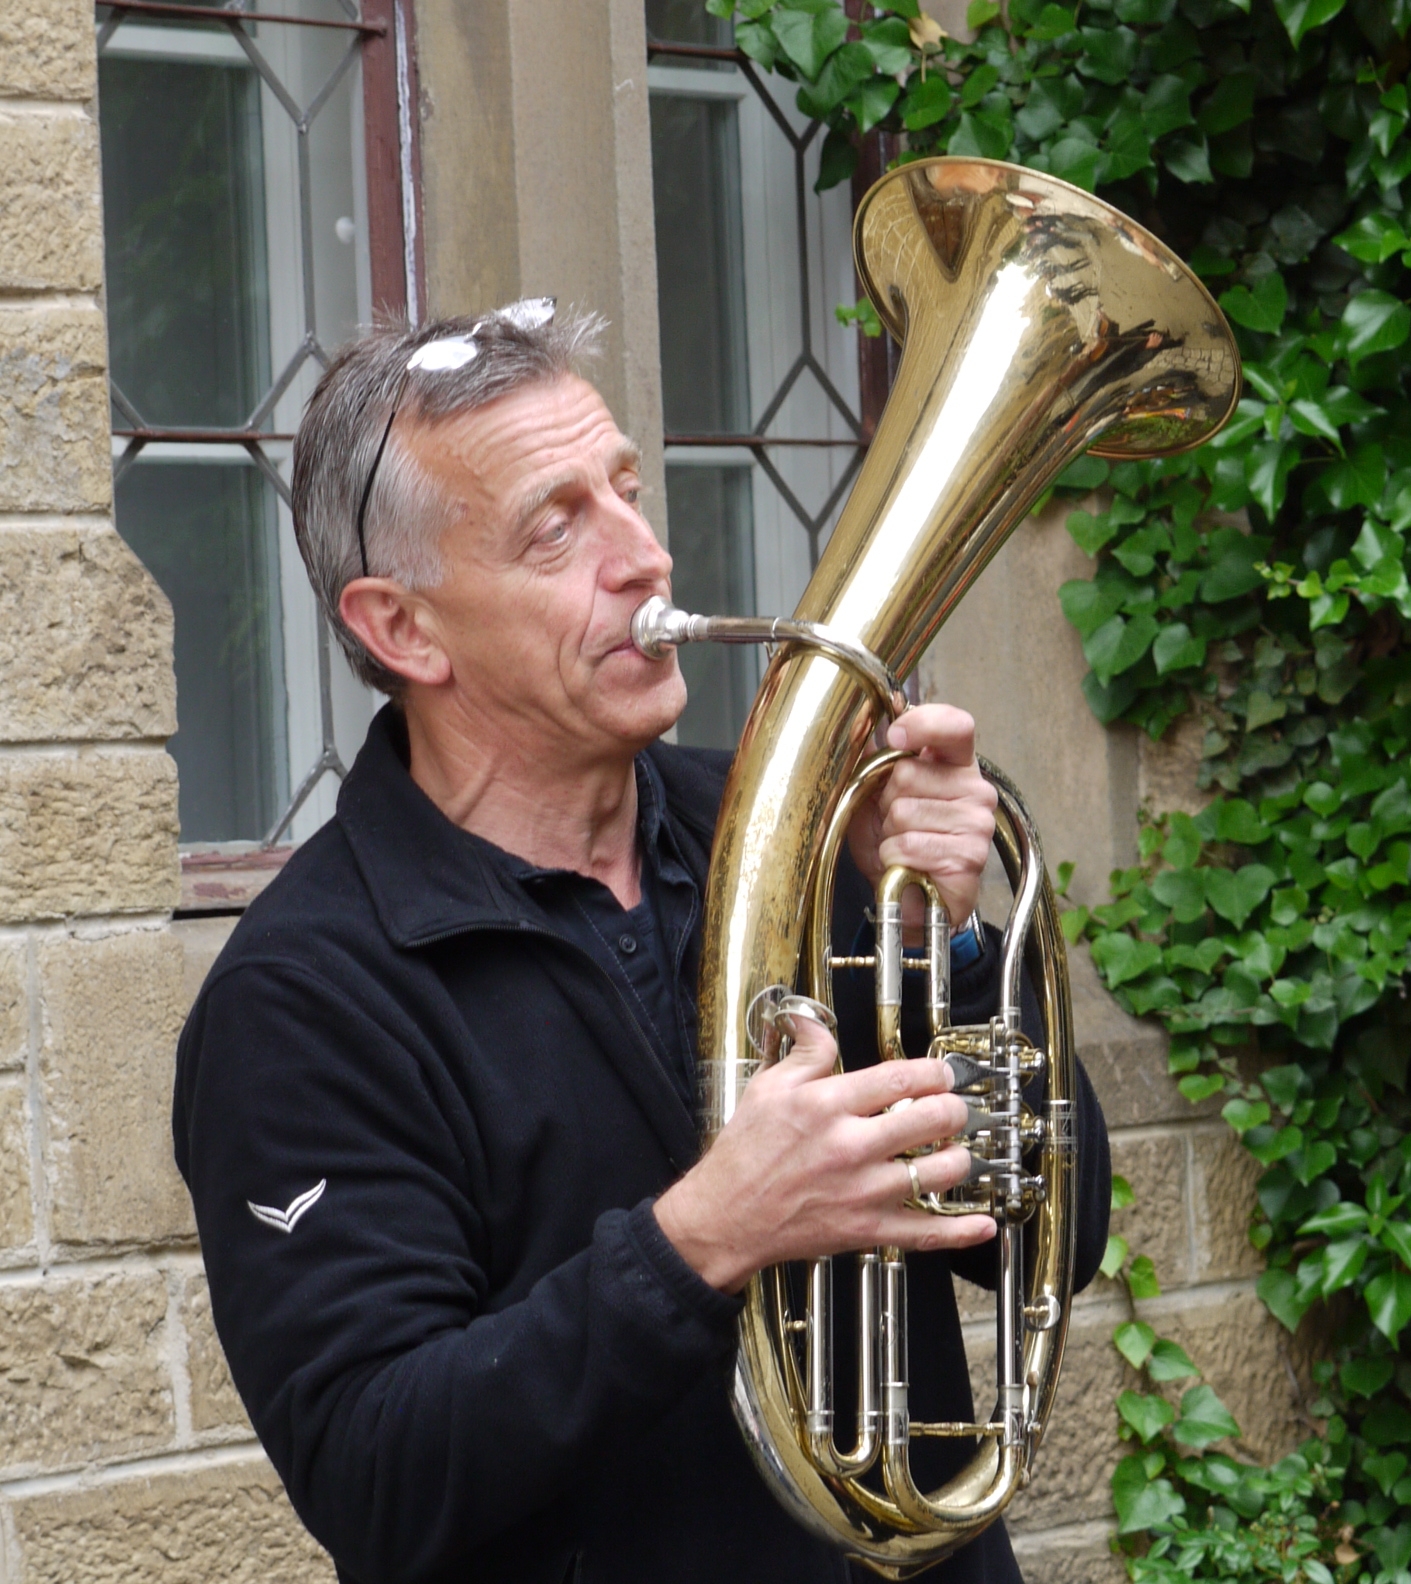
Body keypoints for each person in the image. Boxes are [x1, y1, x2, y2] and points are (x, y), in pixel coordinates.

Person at [172, 303, 1110, 1584]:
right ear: (403, 629)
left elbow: (1056, 1230)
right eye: (555, 529)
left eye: (624, 490)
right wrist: (707, 1240)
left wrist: (927, 943)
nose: (644, 558)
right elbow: (375, 1468)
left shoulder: (792, 837)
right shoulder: (304, 998)